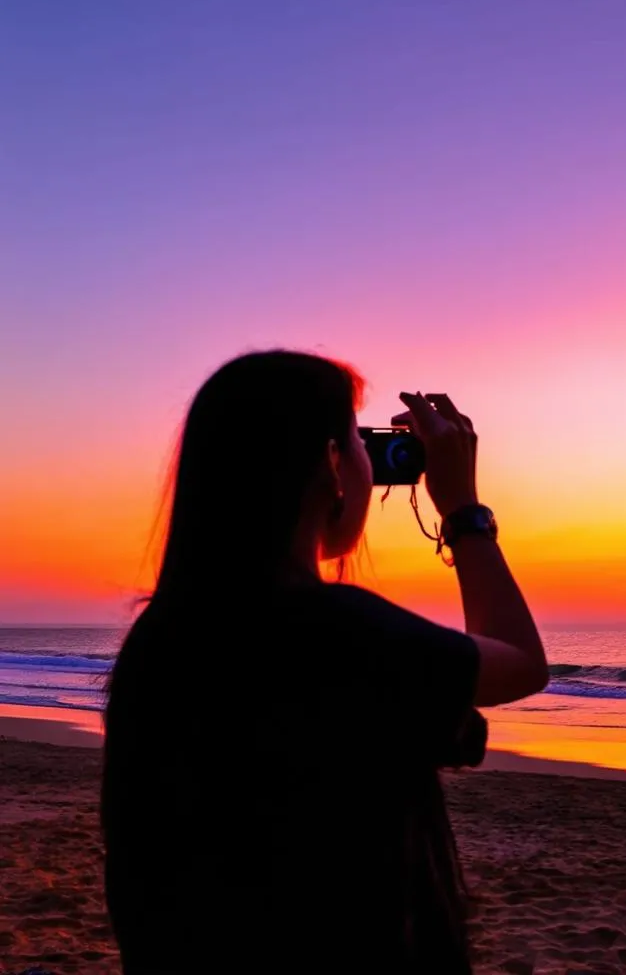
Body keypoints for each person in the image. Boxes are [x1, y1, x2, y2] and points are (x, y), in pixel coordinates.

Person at [101, 350, 549, 975]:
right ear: (332, 466)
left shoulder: (156, 644)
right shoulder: (340, 632)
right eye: (359, 442)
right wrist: (464, 512)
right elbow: (524, 663)